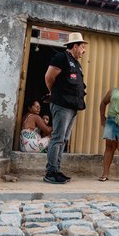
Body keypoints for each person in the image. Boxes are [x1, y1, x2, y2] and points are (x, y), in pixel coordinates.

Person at [44, 32, 88, 184]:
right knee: (57, 138)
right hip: (61, 104)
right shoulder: (61, 58)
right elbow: (49, 78)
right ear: (75, 46)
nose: (84, 50)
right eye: (82, 47)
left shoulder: (77, 64)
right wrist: (53, 93)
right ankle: (50, 172)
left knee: (63, 139)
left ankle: (56, 169)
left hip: (73, 107)